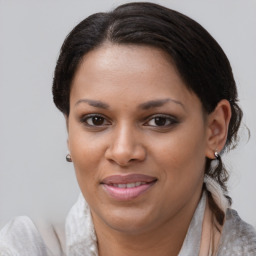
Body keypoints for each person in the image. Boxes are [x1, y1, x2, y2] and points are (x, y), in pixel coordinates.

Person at [0, 2, 255, 255]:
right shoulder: (23, 248)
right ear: (69, 131)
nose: (123, 152)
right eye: (96, 120)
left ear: (215, 130)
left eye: (159, 121)